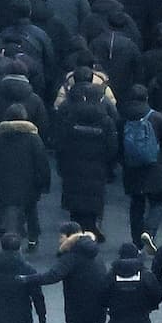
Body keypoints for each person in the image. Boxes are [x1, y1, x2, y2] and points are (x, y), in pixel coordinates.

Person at [55, 79, 119, 238]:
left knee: (75, 199)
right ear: (100, 98)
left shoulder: (72, 117)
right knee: (94, 198)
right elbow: (112, 147)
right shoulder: (106, 121)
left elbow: (61, 141)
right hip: (97, 165)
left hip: (73, 163)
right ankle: (91, 228)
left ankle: (74, 231)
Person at [117, 83, 162, 248]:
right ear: (147, 98)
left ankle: (137, 243)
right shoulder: (156, 117)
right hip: (155, 167)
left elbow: (118, 145)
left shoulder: (123, 118)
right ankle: (149, 232)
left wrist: (124, 163)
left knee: (136, 204)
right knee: (159, 201)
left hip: (132, 168)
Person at [0, 104, 52, 250]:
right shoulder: (33, 138)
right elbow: (41, 161)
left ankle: (13, 240)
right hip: (30, 181)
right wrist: (45, 182)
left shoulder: (1, 138)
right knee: (31, 209)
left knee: (11, 211)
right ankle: (33, 237)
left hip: (7, 181)